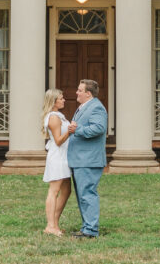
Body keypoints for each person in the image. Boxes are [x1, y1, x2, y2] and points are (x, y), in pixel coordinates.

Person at [66, 78, 108, 239]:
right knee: (82, 195)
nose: (76, 92)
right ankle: (86, 227)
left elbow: (98, 128)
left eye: (80, 90)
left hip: (88, 160)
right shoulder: (84, 107)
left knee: (87, 194)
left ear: (88, 94)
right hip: (80, 159)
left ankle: (91, 230)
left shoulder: (96, 108)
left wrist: (78, 129)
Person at [40, 88, 72, 236]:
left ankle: (55, 223)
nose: (63, 100)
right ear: (53, 101)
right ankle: (50, 226)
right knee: (54, 191)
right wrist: (70, 132)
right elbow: (58, 141)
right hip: (58, 157)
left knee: (67, 190)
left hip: (65, 157)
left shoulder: (59, 116)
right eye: (61, 98)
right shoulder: (53, 117)